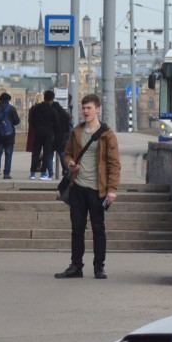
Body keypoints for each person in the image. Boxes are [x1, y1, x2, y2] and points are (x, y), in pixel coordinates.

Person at [55, 93, 120, 279]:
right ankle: (76, 266)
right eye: (83, 108)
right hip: (78, 187)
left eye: (89, 108)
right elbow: (67, 154)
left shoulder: (107, 135)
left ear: (97, 109)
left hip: (97, 188)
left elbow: (114, 164)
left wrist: (112, 190)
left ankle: (99, 266)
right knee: (77, 228)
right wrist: (69, 163)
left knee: (98, 228)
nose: (85, 111)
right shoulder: (76, 132)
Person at [27, 90, 59, 180]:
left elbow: (31, 120)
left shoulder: (37, 108)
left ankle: (32, 173)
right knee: (46, 153)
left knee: (36, 152)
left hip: (38, 132)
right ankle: (43, 173)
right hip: (48, 133)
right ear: (52, 99)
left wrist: (37, 127)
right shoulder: (53, 109)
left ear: (44, 97)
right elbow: (57, 123)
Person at [0, 91, 20, 179]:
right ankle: (6, 173)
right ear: (9, 100)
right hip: (9, 135)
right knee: (8, 154)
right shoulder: (11, 109)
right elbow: (17, 121)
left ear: (0, 99)